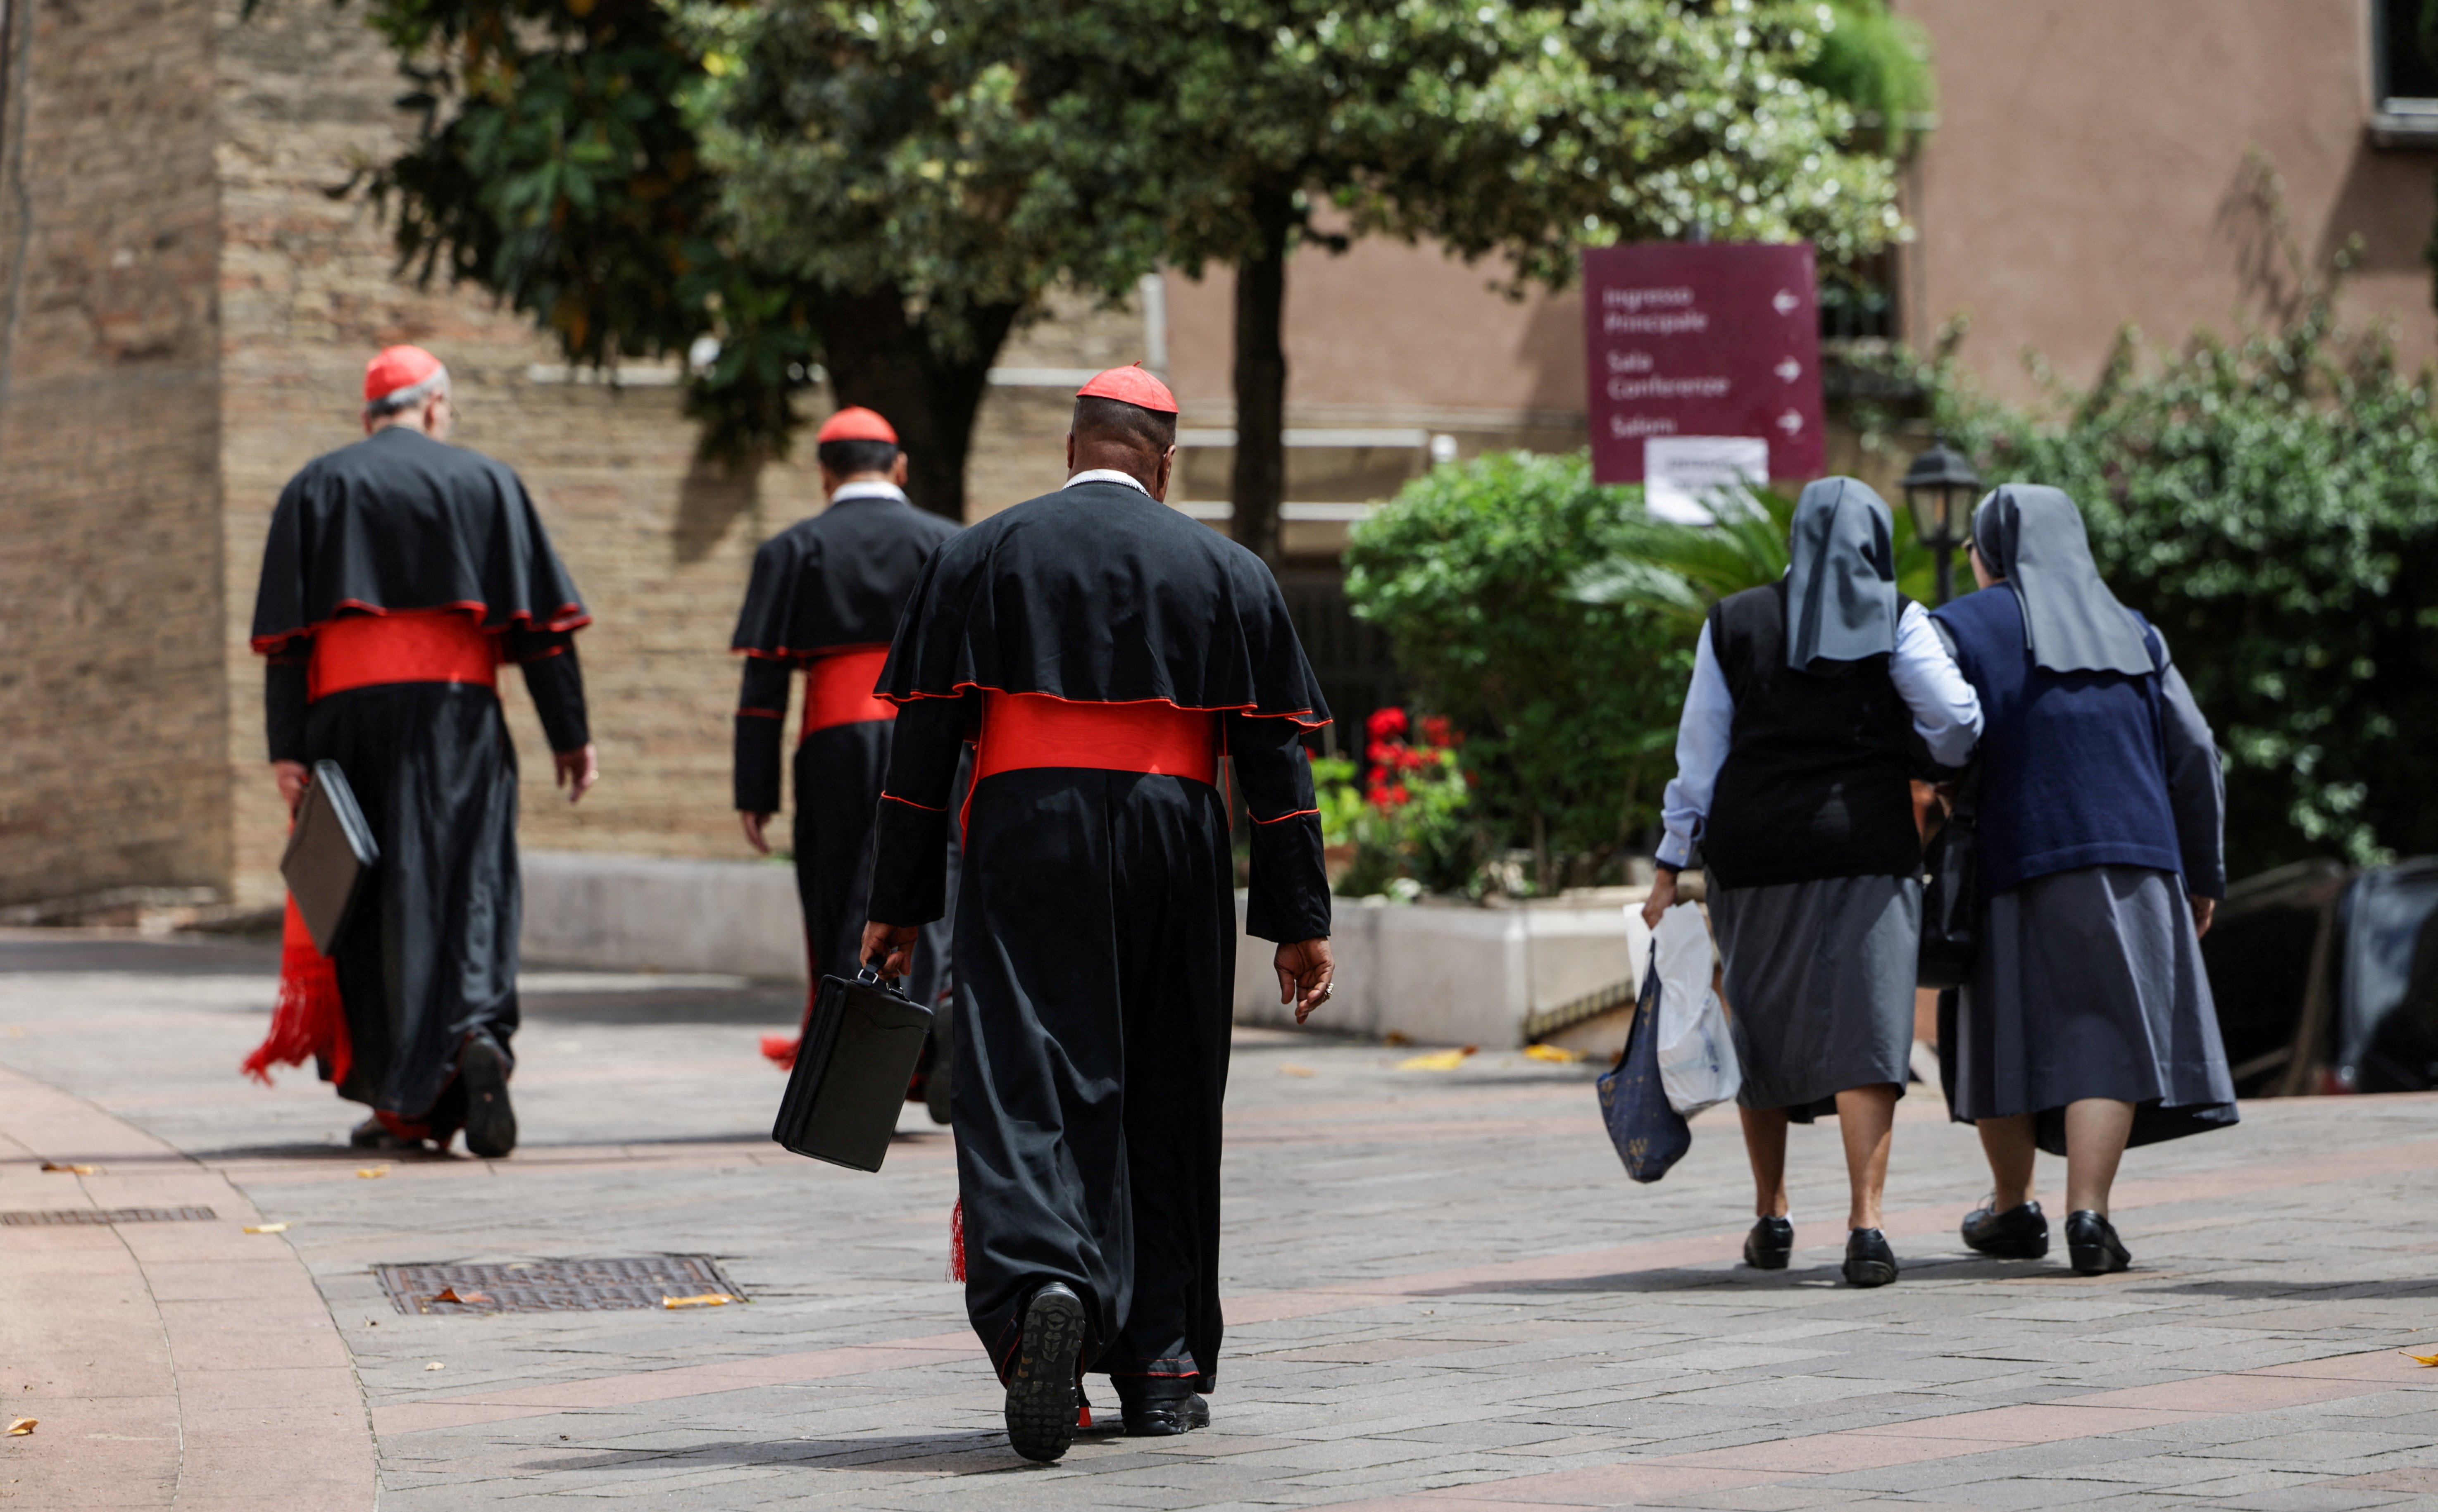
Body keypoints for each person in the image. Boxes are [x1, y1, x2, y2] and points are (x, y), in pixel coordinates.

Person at [859, 364, 1336, 1461]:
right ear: (1162, 461)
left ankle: (1040, 1300)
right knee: (1168, 1085)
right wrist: (1299, 918)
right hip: (1177, 831)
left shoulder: (976, 554)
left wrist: (896, 906)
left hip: (1026, 827)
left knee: (1023, 1076)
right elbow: (1274, 760)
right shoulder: (1229, 569)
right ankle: (1162, 1368)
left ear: (1072, 447)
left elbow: (920, 752)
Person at [245, 345, 596, 1157]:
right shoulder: (488, 482)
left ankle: (405, 1104)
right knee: (472, 884)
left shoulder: (316, 485)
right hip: (460, 717)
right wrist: (571, 738)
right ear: (434, 404)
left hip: (346, 721)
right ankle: (476, 1034)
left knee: (375, 904)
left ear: (369, 412)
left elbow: (287, 642)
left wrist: (286, 750)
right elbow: (544, 638)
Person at [1643, 477, 1981, 1287]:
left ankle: (1771, 1215)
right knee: (1868, 1028)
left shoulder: (1735, 621)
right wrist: (1928, 760)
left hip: (1752, 850)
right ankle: (1866, 1226)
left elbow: (1701, 754)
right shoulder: (1897, 615)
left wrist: (1669, 861)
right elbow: (1957, 718)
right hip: (1865, 844)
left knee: (1760, 1021)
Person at [1933, 485, 2235, 1275]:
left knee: (2004, 1029)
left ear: (1992, 552)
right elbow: (2196, 750)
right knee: (2105, 1035)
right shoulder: (2135, 631)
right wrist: (2201, 872)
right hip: (2138, 861)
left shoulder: (1960, 626)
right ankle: (2089, 1217)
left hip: (2016, 855)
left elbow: (1938, 736)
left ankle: (2010, 1208)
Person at [730, 406, 962, 1081]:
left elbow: (762, 684)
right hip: (933, 737)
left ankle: (854, 1065)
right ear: (901, 467)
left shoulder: (791, 549)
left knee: (839, 898)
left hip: (832, 741)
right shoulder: (948, 543)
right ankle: (934, 1017)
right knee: (933, 878)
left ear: (824, 475)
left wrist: (755, 792)